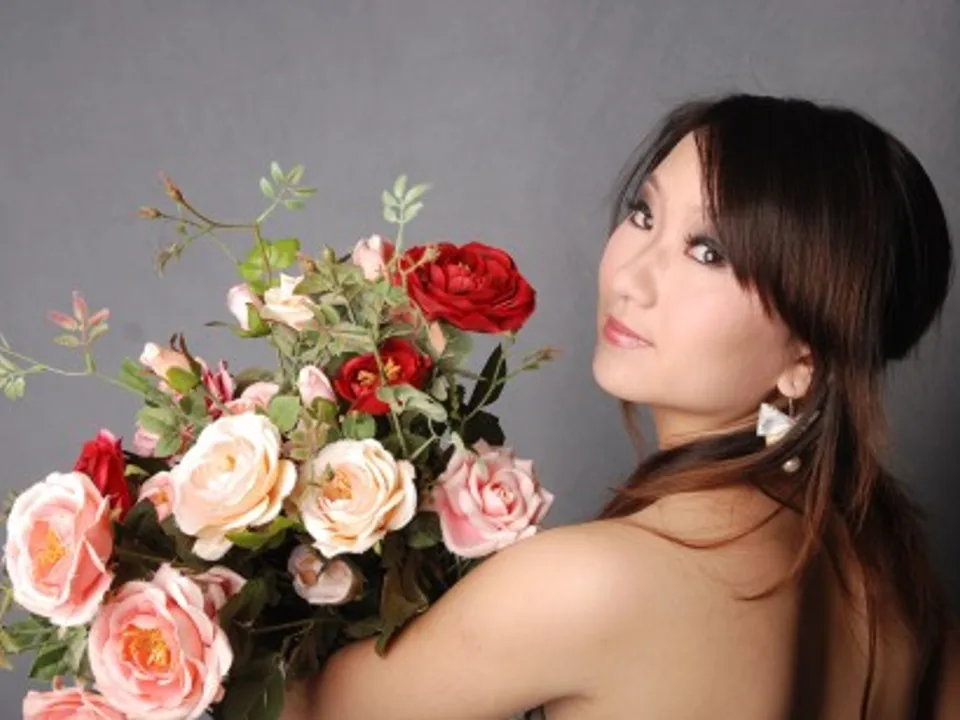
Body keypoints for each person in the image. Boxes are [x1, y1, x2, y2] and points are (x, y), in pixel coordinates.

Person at [281, 93, 959, 719]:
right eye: (644, 214)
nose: (631, 276)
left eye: (708, 252)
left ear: (805, 358)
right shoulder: (895, 580)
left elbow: (288, 711)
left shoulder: (594, 584)